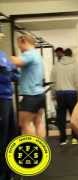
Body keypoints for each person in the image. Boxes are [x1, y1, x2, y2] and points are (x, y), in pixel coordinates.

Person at [10, 35, 46, 138]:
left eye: (19, 45)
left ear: (24, 41)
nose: (19, 49)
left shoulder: (29, 54)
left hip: (31, 95)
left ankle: (32, 149)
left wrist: (7, 57)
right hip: (39, 94)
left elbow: (16, 62)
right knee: (38, 122)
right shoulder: (37, 55)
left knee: (25, 123)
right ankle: (41, 149)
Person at [51, 48, 78, 145]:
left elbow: (53, 82)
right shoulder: (74, 65)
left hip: (60, 93)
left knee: (61, 118)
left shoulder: (56, 65)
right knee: (74, 117)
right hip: (72, 93)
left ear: (63, 54)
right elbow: (77, 82)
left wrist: (53, 94)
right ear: (71, 55)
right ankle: (75, 138)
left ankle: (63, 139)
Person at [0, 51, 19, 180]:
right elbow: (7, 75)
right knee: (1, 139)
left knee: (10, 137)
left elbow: (16, 76)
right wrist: (7, 73)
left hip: (8, 99)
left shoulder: (3, 55)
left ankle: (9, 172)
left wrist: (7, 72)